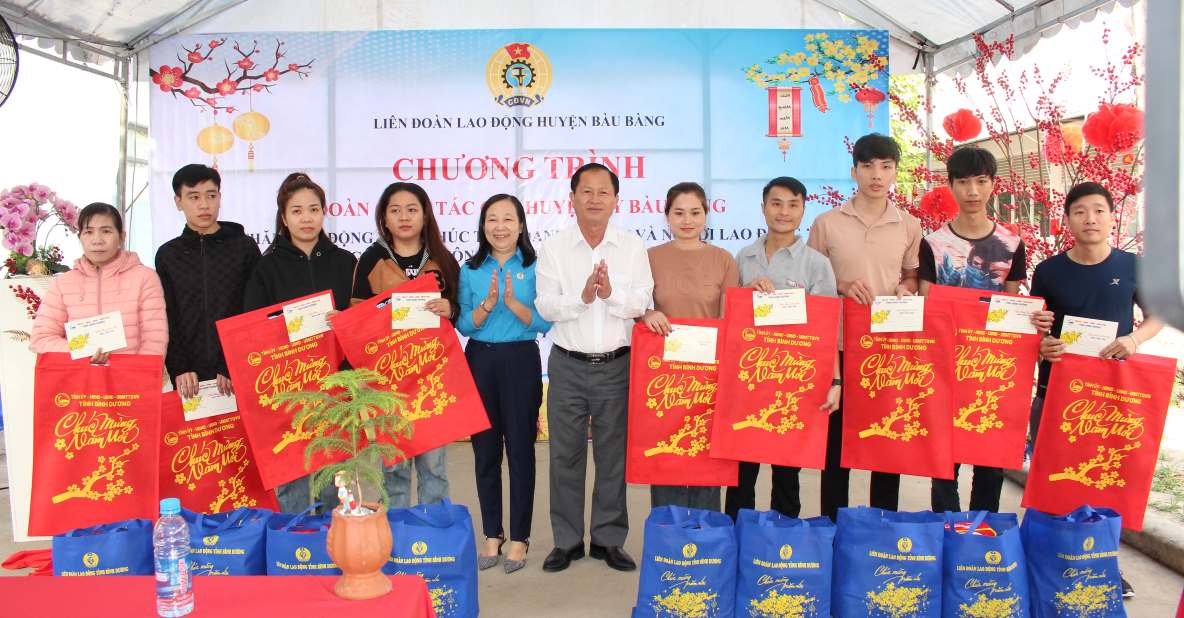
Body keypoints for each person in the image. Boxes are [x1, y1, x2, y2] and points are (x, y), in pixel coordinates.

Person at [1029, 181, 1163, 600]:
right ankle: (1053, 564)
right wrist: (1044, 345)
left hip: (1112, 396)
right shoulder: (1048, 271)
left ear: (1111, 217)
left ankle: (1105, 565)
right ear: (1067, 219)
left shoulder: (1134, 266)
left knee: (1109, 480)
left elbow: (1158, 316)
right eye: (1081, 211)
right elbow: (1035, 327)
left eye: (1099, 211)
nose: (1090, 219)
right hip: (1059, 392)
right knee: (1056, 480)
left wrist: (1134, 341)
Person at [536, 163, 654, 573]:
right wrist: (584, 297)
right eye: (586, 191)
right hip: (567, 366)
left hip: (617, 367)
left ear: (616, 201)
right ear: (571, 198)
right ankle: (566, 542)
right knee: (565, 457)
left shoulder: (631, 245)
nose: (594, 199)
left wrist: (611, 292)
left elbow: (642, 301)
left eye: (603, 192)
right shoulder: (554, 248)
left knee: (612, 458)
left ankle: (607, 540)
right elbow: (546, 306)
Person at [806, 133, 922, 520]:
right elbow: (811, 283)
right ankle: (832, 527)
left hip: (887, 350)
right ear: (854, 170)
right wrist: (841, 285)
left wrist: (906, 292)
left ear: (894, 172)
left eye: (886, 167)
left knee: (886, 443)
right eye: (869, 166)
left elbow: (909, 277)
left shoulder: (909, 225)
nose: (877, 175)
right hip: (839, 347)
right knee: (835, 448)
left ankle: (882, 529)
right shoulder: (826, 223)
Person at [918, 147, 1028, 513]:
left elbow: (1013, 309)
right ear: (950, 186)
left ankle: (982, 542)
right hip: (945, 372)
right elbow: (927, 310)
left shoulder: (1012, 245)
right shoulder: (932, 245)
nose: (972, 191)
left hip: (992, 373)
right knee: (943, 466)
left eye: (981, 181)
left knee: (990, 467)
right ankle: (947, 538)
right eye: (963, 182)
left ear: (993, 185)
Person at [243, 172, 358, 513]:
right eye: (296, 211)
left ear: (324, 213)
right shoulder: (265, 268)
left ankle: (333, 545)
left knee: (332, 472)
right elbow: (254, 325)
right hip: (287, 385)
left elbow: (359, 321)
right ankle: (292, 547)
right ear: (283, 217)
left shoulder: (345, 262)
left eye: (313, 209)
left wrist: (344, 322)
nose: (306, 218)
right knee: (290, 472)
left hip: (334, 383)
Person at [728, 177, 841, 521]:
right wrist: (746, 293)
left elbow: (828, 328)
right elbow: (730, 316)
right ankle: (738, 540)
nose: (784, 212)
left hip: (794, 382)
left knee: (787, 475)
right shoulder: (743, 257)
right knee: (741, 475)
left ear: (804, 210)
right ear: (763, 208)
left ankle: (782, 550)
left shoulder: (816, 264)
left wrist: (835, 382)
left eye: (793, 204)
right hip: (749, 379)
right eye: (776, 203)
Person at [457, 194, 550, 574]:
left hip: (521, 360)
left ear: (521, 225)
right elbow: (463, 324)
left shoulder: (536, 266)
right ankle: (491, 535)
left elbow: (545, 321)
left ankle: (519, 538)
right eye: (492, 219)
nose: (500, 226)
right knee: (485, 453)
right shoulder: (470, 269)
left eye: (508, 219)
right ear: (482, 226)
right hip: (480, 360)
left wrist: (513, 304)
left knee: (521, 452)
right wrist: (487, 304)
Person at [352, 181, 460, 508]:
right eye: (395, 210)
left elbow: (459, 310)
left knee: (434, 467)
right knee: (394, 468)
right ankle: (398, 541)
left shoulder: (443, 259)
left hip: (431, 379)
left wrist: (451, 310)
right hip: (389, 382)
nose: (404, 217)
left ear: (424, 216)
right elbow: (356, 315)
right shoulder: (372, 259)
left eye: (412, 210)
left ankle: (433, 537)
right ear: (384, 219)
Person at [639, 182, 740, 513]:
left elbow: (732, 319)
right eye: (678, 213)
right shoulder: (649, 258)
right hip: (664, 377)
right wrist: (646, 312)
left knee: (704, 456)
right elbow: (636, 305)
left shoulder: (724, 260)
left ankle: (705, 536)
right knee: (666, 454)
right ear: (666, 216)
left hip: (708, 376)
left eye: (695, 212)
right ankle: (667, 533)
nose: (687, 220)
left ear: (706, 215)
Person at [155, 164, 260, 399]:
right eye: (194, 197)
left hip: (238, 368)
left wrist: (232, 361)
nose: (204, 204)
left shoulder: (244, 247)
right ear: (178, 201)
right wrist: (179, 367)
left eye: (211, 196)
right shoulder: (168, 254)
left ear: (220, 198)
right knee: (195, 436)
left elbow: (253, 310)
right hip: (188, 378)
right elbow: (167, 314)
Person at [31, 203, 167, 360]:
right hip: (80, 379)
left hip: (130, 379)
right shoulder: (63, 284)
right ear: (80, 237)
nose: (97, 240)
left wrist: (134, 374)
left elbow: (155, 339)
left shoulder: (145, 278)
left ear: (122, 236)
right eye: (88, 232)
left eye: (106, 231)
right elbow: (41, 338)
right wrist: (84, 350)